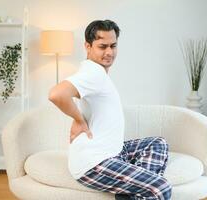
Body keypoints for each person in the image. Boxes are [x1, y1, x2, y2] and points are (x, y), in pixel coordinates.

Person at [48, 19, 172, 200]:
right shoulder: (93, 73)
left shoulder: (96, 72)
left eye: (113, 46)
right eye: (102, 46)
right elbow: (56, 94)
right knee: (160, 188)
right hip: (93, 163)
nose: (109, 52)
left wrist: (80, 118)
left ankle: (129, 194)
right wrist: (79, 120)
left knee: (158, 143)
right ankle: (139, 190)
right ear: (88, 46)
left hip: (114, 151)